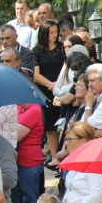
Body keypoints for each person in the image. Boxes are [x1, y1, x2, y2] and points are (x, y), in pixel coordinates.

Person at [33, 19, 64, 167]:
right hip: (45, 90)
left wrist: (57, 85)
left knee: (62, 124)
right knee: (50, 126)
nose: (54, 35)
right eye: (51, 32)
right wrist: (50, 85)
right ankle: (53, 156)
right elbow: (36, 74)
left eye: (56, 32)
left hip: (61, 88)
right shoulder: (37, 51)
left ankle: (63, 154)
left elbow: (65, 68)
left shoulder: (62, 48)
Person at [17, 103, 45, 203]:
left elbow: (16, 135)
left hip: (29, 162)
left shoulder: (34, 109)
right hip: (20, 161)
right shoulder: (19, 108)